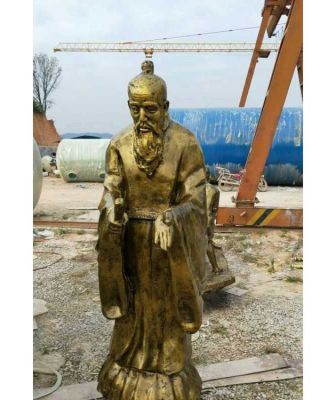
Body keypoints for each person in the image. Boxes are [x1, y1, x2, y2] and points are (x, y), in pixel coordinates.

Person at [96, 61, 207, 399]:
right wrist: (112, 210)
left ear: (165, 106)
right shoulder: (119, 144)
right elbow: (111, 189)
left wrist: (172, 217)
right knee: (132, 310)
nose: (142, 117)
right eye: (135, 109)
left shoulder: (185, 144)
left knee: (167, 311)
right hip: (130, 244)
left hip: (169, 246)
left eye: (151, 109)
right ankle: (126, 368)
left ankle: (169, 373)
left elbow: (196, 198)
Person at [205, 168, 223, 274]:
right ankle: (215, 268)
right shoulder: (215, 190)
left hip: (196, 219)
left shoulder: (194, 190)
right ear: (209, 176)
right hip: (208, 219)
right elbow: (215, 209)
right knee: (208, 242)